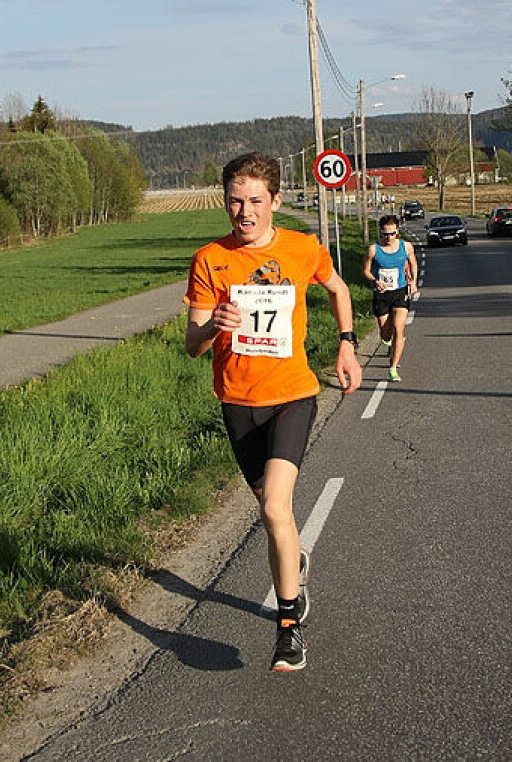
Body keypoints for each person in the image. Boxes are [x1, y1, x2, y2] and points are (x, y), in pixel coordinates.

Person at [184, 151, 362, 672]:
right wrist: (213, 324)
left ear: (275, 202)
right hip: (237, 406)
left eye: (255, 201)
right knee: (275, 518)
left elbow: (338, 288)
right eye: (235, 201)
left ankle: (289, 626)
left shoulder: (303, 248)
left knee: (273, 509)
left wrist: (347, 343)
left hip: (291, 395)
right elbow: (192, 346)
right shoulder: (209, 259)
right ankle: (294, 560)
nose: (244, 212)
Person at [363, 214, 419, 381]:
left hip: (399, 291)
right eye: (385, 234)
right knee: (386, 334)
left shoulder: (406, 247)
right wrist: (375, 280)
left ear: (398, 232)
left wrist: (413, 282)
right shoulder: (373, 249)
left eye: (392, 234)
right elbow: (365, 271)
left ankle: (393, 367)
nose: (389, 238)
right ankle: (388, 343)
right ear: (381, 232)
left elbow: (414, 263)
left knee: (398, 329)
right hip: (381, 294)